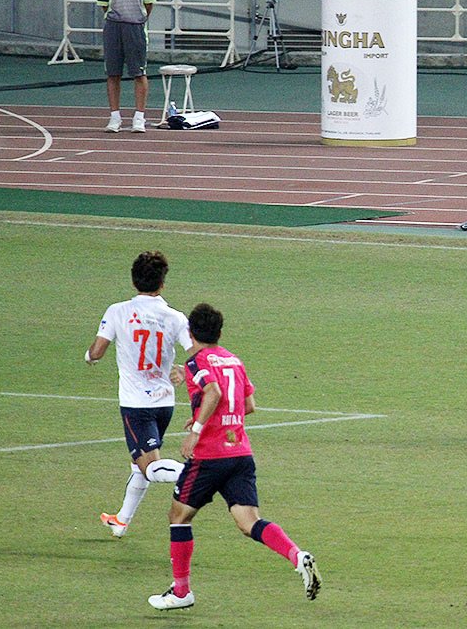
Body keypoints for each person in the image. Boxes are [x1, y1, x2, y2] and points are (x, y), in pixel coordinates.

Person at [148, 303, 321, 610]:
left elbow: (213, 392)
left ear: (189, 333)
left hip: (209, 457)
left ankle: (181, 592)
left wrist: (197, 429)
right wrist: (207, 416)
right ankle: (297, 556)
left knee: (178, 516)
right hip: (240, 453)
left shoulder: (195, 362)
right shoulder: (234, 360)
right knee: (248, 522)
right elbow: (249, 405)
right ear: (220, 333)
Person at [86, 251, 193, 536]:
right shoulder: (175, 317)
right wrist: (184, 371)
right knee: (138, 463)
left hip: (136, 405)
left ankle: (199, 473)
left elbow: (97, 351)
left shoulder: (117, 311)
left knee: (150, 467)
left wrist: (89, 356)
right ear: (162, 283)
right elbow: (197, 353)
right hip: (165, 403)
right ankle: (121, 521)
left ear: (134, 282)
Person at [96, 0, 155, 134]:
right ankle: (115, 117)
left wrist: (137, 19)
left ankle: (139, 117)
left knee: (139, 73)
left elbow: (149, 4)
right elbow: (104, 5)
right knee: (113, 73)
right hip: (113, 28)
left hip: (135, 28)